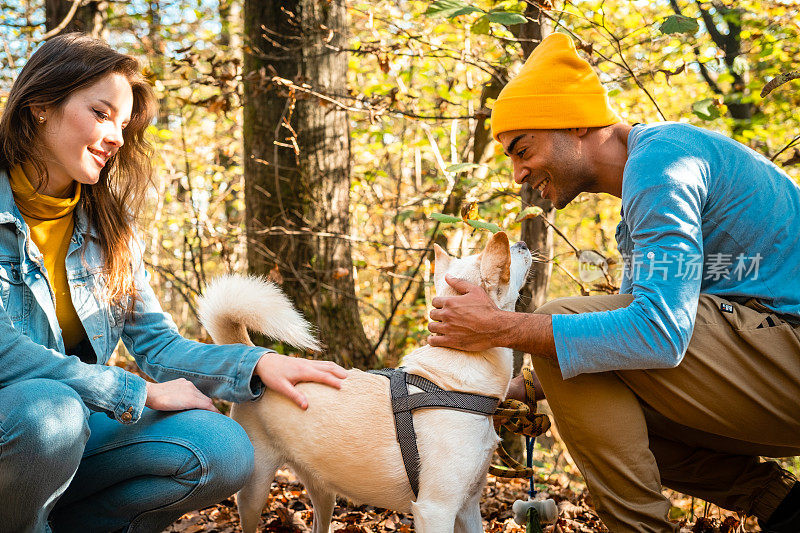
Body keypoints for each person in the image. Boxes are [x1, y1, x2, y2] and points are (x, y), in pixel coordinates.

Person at [428, 32, 800, 532]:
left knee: (557, 326)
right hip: (773, 369)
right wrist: (513, 385)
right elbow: (630, 346)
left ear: (576, 123)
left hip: (787, 353)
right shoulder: (642, 197)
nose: (517, 173)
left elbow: (658, 336)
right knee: (591, 377)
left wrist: (502, 328)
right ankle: (782, 506)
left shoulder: (664, 164)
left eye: (522, 149)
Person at [0, 33, 347, 532]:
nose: (117, 137)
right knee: (48, 412)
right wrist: (135, 393)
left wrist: (258, 362)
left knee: (222, 448)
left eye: (122, 124)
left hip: (66, 435)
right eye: (101, 114)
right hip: (25, 427)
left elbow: (158, 346)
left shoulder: (108, 231)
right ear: (38, 107)